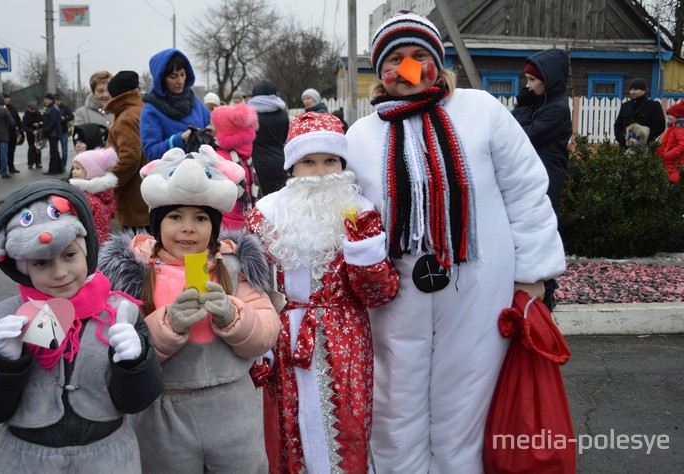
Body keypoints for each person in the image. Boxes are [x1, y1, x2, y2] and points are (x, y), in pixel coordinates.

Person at [344, 12, 566, 472]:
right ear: (380, 73)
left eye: (419, 57)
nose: (407, 69)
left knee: (466, 403)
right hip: (395, 295)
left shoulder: (481, 110)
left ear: (439, 62)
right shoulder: (361, 135)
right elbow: (342, 209)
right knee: (393, 405)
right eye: (396, 60)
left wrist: (533, 277)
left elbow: (526, 191)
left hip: (479, 290)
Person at [0, 179, 164, 472]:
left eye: (69, 255)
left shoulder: (122, 313)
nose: (60, 273)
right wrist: (1, 361)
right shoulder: (3, 319)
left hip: (108, 459)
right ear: (22, 268)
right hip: (27, 461)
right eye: (41, 263)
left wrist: (136, 363)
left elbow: (138, 401)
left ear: (86, 252)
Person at [99, 145, 280, 473]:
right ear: (157, 223)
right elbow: (123, 351)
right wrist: (168, 324)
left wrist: (233, 314)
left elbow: (266, 332)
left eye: (200, 218)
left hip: (231, 408)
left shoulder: (235, 266)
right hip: (163, 412)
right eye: (175, 217)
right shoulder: (136, 273)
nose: (188, 227)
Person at [247, 112, 400, 473]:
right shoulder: (266, 214)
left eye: (330, 161)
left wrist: (364, 250)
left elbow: (379, 293)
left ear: (342, 164)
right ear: (292, 167)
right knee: (287, 426)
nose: (320, 172)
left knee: (346, 424)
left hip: (344, 337)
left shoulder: (359, 212)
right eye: (308, 162)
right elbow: (252, 284)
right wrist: (258, 343)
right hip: (284, 336)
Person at [513, 48, 573, 310]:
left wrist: (524, 107)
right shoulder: (543, 103)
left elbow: (522, 136)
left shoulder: (557, 109)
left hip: (547, 177)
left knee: (542, 231)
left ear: (548, 80)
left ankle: (547, 293)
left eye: (533, 81)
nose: (528, 86)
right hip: (535, 175)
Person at [140, 48, 211, 161]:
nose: (180, 81)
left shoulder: (194, 100)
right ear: (161, 79)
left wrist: (214, 128)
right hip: (171, 175)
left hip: (203, 172)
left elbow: (211, 124)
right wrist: (180, 139)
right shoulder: (151, 110)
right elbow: (151, 152)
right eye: (173, 77)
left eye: (183, 74)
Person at [105, 71, 150, 232]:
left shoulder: (126, 117)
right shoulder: (143, 109)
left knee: (136, 249)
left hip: (133, 198)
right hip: (147, 191)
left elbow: (129, 157)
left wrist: (110, 181)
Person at [210, 102, 259, 230]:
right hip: (244, 222)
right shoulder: (245, 155)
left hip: (224, 225)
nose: (210, 128)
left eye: (214, 125)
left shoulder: (218, 158)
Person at [247, 79, 289, 195]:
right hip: (279, 162)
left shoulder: (249, 114)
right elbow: (284, 137)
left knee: (259, 204)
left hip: (255, 163)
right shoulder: (283, 113)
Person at [70, 147, 118, 246]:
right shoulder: (104, 193)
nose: (73, 171)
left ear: (92, 171)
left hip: (92, 243)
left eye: (78, 168)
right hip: (104, 240)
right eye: (74, 168)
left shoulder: (86, 197)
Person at [613, 78, 666, 148]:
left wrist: (643, 139)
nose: (632, 92)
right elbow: (618, 125)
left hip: (645, 148)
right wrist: (623, 141)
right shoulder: (625, 106)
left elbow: (660, 126)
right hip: (625, 148)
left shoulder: (653, 106)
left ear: (643, 90)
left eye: (635, 89)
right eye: (631, 90)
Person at [74, 71, 115, 153]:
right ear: (93, 92)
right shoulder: (82, 114)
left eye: (108, 90)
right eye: (100, 91)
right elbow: (79, 143)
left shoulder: (120, 112)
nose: (106, 95)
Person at [656, 102, 684, 183]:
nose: (668, 117)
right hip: (671, 163)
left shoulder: (680, 129)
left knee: (674, 184)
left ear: (679, 116)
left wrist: (666, 155)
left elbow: (682, 146)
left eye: (671, 114)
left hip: (676, 163)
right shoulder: (673, 128)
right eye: (668, 114)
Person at [42, 93, 64, 175]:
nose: (45, 101)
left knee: (53, 152)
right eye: (45, 99)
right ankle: (59, 168)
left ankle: (52, 169)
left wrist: (46, 130)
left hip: (53, 133)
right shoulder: (51, 107)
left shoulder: (53, 109)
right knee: (55, 151)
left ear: (51, 100)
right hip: (53, 133)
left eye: (47, 100)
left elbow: (53, 122)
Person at [2, 92, 23, 174]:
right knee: (3, 151)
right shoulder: (2, 108)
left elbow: (17, 119)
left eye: (8, 98)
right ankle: (2, 167)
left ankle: (11, 167)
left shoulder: (13, 108)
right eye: (5, 98)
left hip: (13, 132)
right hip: (4, 132)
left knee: (11, 151)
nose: (7, 99)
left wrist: (21, 128)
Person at [22, 101, 43, 170]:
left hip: (38, 133)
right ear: (29, 109)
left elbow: (43, 121)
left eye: (34, 109)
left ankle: (38, 162)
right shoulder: (26, 115)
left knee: (38, 147)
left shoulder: (38, 114)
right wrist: (32, 131)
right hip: (30, 133)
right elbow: (24, 126)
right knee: (31, 147)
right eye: (32, 109)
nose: (33, 111)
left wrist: (39, 125)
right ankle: (30, 163)